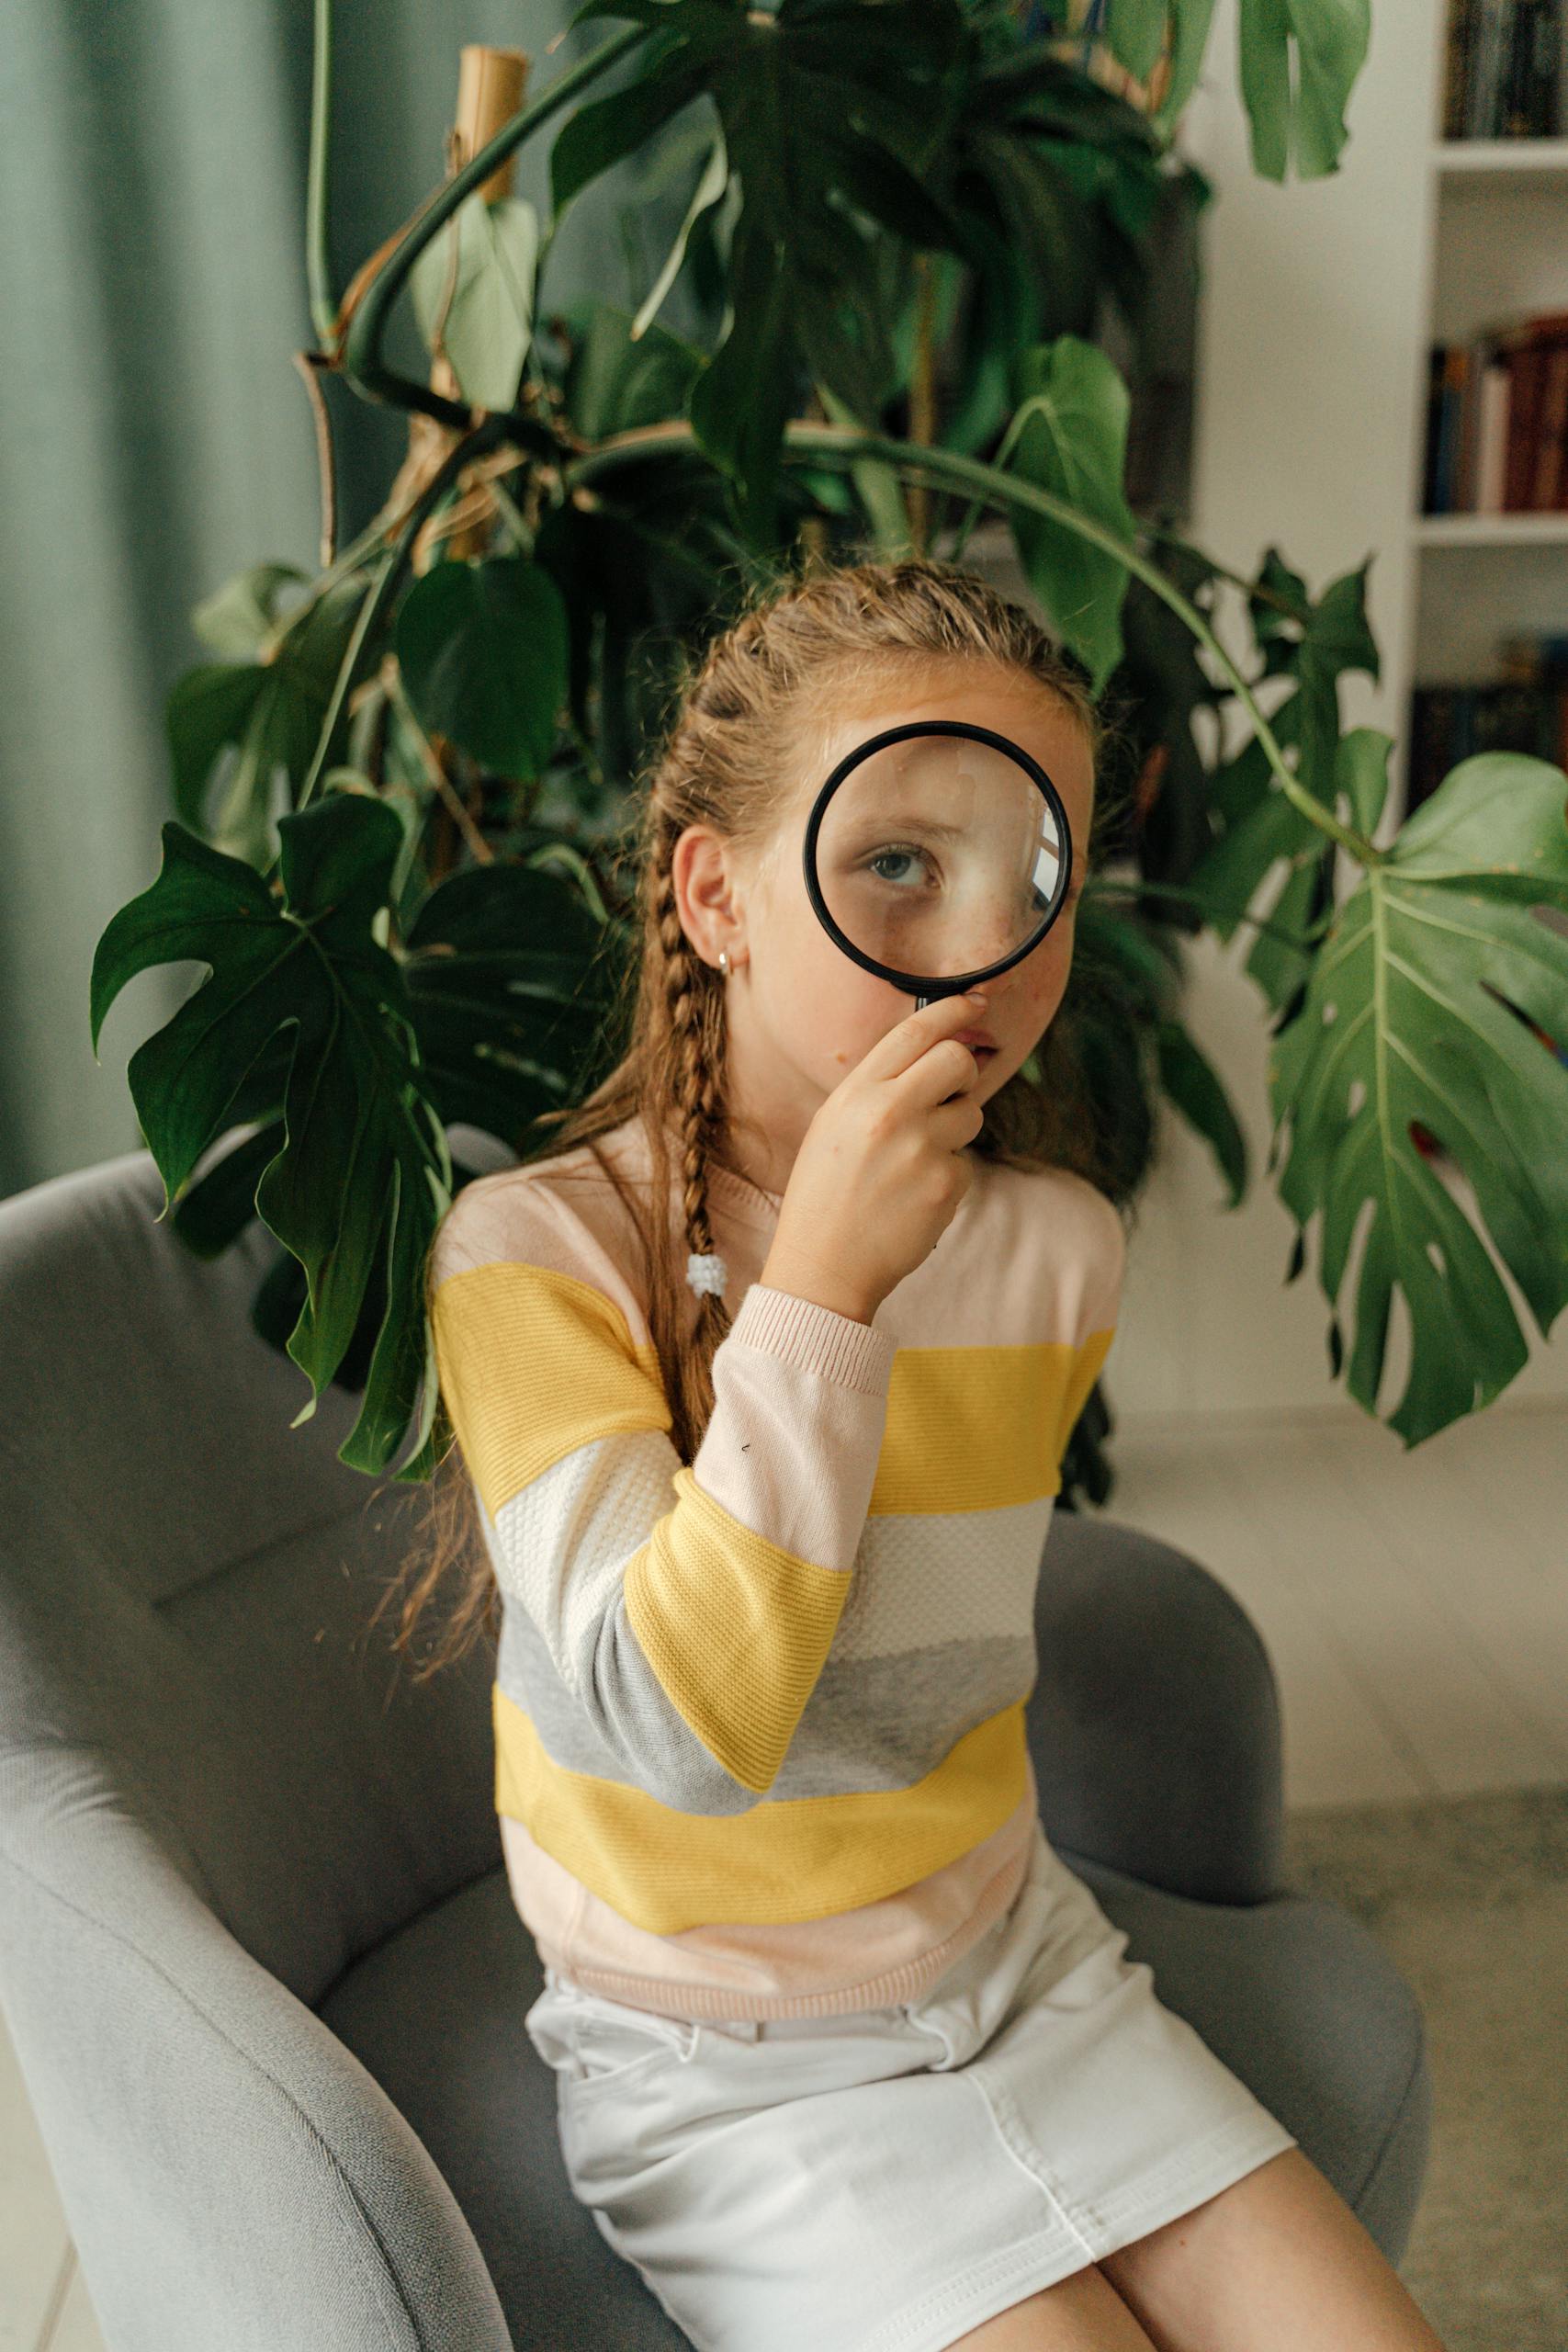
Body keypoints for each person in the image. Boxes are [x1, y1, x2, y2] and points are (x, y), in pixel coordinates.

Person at [415, 558, 1448, 2352]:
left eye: (1028, 876)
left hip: (1027, 1966)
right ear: (715, 893)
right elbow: (675, 1729)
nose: (978, 933)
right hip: (716, 2063)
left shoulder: (1056, 1247)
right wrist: (813, 1292)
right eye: (895, 859)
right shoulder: (531, 1253)